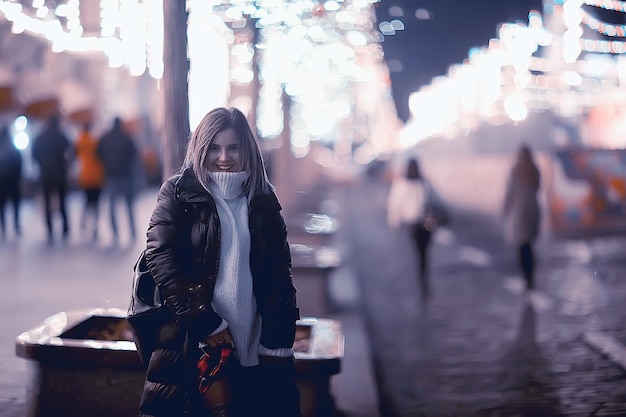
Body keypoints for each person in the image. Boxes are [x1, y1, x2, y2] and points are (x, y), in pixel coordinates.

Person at [137, 107, 301, 417]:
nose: (223, 157)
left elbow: (280, 275)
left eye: (233, 147)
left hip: (254, 341)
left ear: (246, 149)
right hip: (194, 342)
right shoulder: (178, 193)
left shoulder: (263, 198)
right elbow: (162, 259)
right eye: (214, 147)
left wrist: (279, 340)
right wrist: (206, 322)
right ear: (201, 148)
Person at [387, 156, 434, 301]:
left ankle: (422, 281)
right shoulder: (423, 182)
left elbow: (394, 204)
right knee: (423, 255)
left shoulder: (401, 184)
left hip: (414, 224)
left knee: (420, 254)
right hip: (424, 224)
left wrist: (394, 222)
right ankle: (423, 281)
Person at [502, 144, 541, 291]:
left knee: (521, 247)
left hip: (519, 213)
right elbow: (537, 188)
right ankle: (531, 276)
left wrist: (505, 211)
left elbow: (509, 194)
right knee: (529, 245)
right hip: (533, 211)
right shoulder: (535, 171)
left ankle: (527, 278)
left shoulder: (515, 172)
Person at [96, 116, 138, 244]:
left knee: (111, 206)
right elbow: (134, 154)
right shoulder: (126, 137)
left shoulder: (105, 138)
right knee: (129, 205)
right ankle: (132, 232)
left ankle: (115, 233)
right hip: (125, 175)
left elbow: (97, 153)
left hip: (111, 175)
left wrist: (107, 163)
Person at [32, 115, 73, 244]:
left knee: (48, 204)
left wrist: (42, 165)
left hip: (46, 175)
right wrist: (66, 165)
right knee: (63, 202)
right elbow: (71, 152)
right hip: (60, 174)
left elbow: (34, 155)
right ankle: (65, 229)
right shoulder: (61, 136)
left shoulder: (40, 137)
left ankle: (50, 230)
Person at [74, 122, 104, 241]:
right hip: (97, 177)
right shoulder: (95, 142)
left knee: (86, 203)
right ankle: (95, 227)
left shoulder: (79, 141)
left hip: (85, 177)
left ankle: (83, 223)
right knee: (96, 204)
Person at [0, 125, 23, 239]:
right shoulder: (12, 144)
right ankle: (16, 225)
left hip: (2, 180)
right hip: (13, 179)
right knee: (15, 204)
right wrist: (18, 175)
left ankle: (3, 226)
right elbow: (19, 159)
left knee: (2, 205)